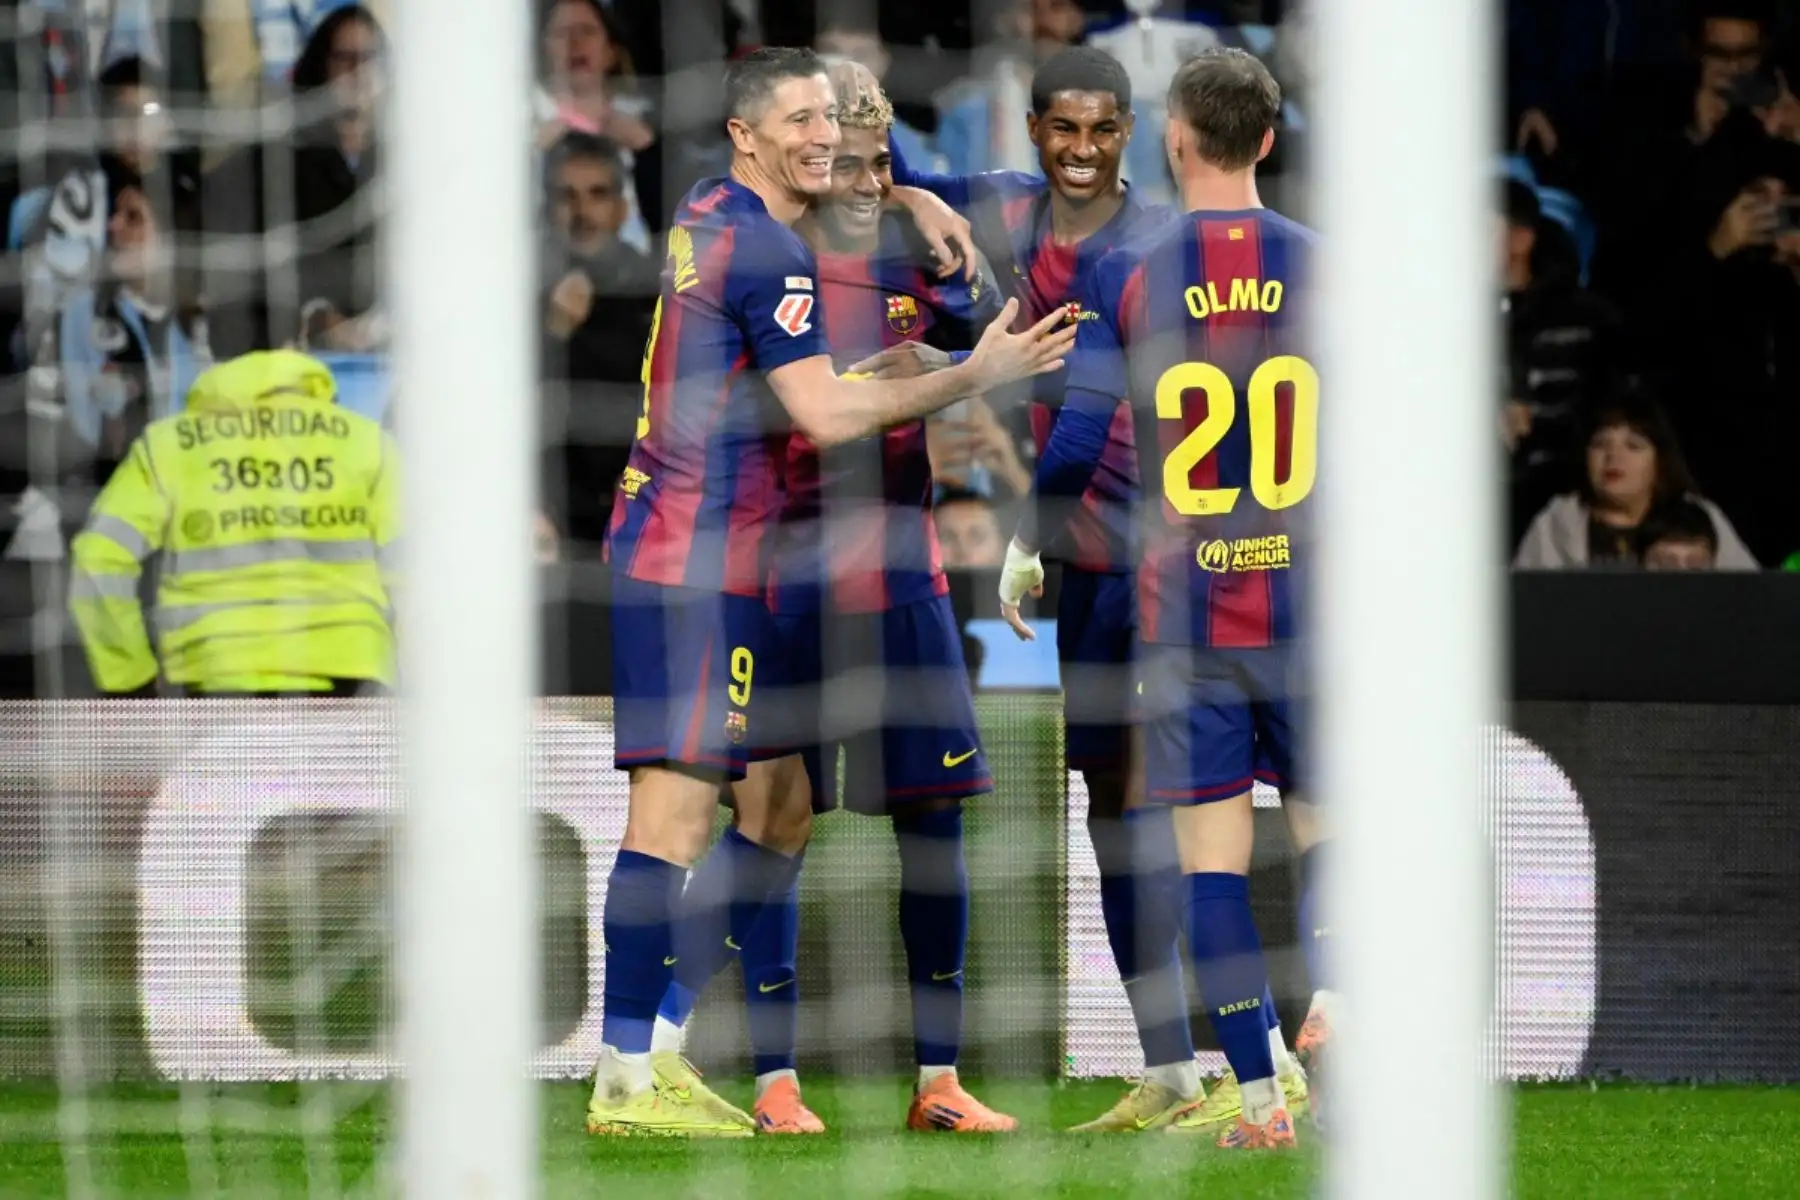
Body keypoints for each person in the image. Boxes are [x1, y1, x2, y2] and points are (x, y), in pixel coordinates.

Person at [587, 46, 1076, 1138]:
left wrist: (905, 197)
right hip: (710, 557)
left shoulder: (709, 211)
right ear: (748, 134)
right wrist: (969, 378)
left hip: (708, 547)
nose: (828, 140)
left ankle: (648, 1056)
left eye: (842, 128)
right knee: (674, 818)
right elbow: (820, 414)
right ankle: (635, 1069)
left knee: (752, 812)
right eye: (804, 120)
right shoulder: (769, 252)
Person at [880, 45, 1308, 1133]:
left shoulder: (1158, 248)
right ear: (1032, 130)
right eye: (1062, 129)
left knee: (1164, 812)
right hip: (1090, 560)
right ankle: (1173, 1069)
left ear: (1140, 135)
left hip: (1163, 561)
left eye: (1102, 130)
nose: (1081, 150)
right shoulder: (1000, 209)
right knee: (1114, 815)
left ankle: (1249, 1063)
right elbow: (869, 180)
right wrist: (909, 191)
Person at [1004, 47, 1322, 1150]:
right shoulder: (1328, 267)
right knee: (1328, 834)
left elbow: (1081, 436)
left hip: (1185, 614)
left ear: (1172, 141)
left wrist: (1027, 541)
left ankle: (1263, 1100)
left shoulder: (1129, 270)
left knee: (1211, 866)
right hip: (1306, 602)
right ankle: (1331, 1007)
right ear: (1269, 141)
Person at [67, 349, 398, 697]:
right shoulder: (368, 443)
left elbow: (98, 557)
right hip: (351, 674)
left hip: (214, 676)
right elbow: (418, 570)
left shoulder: (166, 447)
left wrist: (129, 678)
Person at [1512, 394, 1756, 570]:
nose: (1613, 457)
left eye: (1633, 446)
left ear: (1659, 462)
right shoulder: (1554, 525)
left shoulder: (1700, 517)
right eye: (1600, 445)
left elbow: (1748, 600)